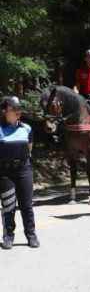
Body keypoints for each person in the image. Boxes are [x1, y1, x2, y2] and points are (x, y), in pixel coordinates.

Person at [0, 96, 38, 249]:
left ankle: (31, 235)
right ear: (4, 111)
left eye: (19, 110)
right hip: (5, 172)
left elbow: (29, 148)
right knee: (8, 205)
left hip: (24, 169)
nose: (18, 112)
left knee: (27, 205)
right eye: (14, 110)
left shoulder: (26, 128)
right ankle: (8, 236)